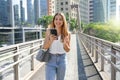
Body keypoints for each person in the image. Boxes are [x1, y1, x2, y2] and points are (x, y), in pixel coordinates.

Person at [43, 12, 71, 80]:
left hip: (62, 60)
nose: (58, 21)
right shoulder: (49, 31)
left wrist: (65, 43)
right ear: (54, 20)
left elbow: (67, 50)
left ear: (63, 21)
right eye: (56, 19)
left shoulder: (67, 33)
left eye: (60, 19)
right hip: (50, 60)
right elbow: (44, 47)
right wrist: (51, 41)